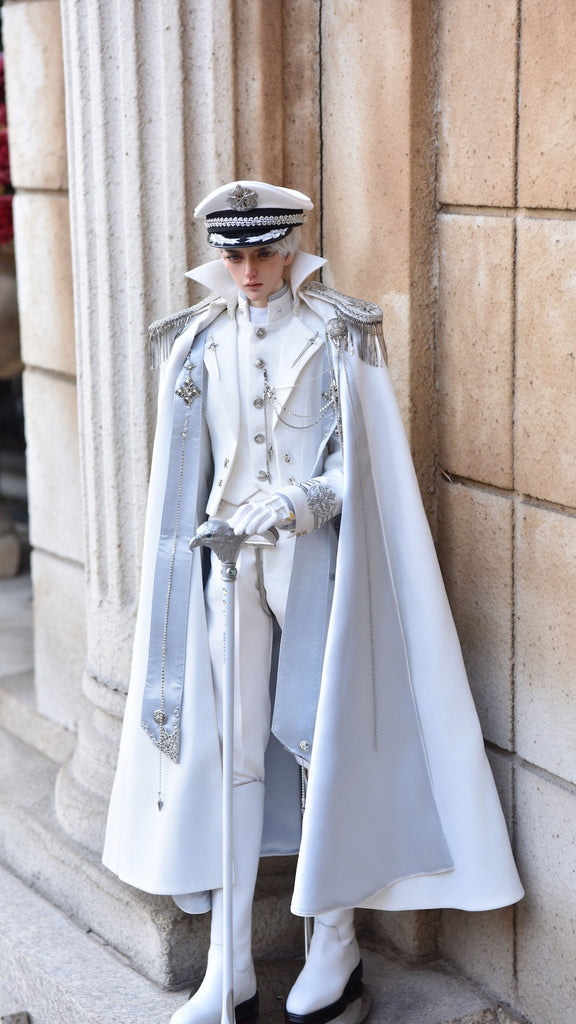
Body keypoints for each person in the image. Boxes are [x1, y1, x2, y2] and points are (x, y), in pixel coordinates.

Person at [102, 181, 524, 1024]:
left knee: (321, 742)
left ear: (291, 247)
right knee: (229, 751)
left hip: (317, 566)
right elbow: (183, 473)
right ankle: (228, 967)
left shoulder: (338, 334)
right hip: (229, 568)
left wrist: (298, 503)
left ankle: (336, 949)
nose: (248, 271)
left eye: (263, 252)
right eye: (234, 254)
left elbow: (367, 469)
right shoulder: (194, 342)